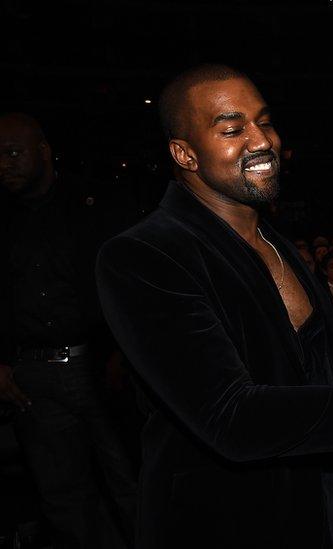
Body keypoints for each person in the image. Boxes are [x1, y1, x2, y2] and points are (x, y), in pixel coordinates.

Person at [94, 64, 333, 549]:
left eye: (265, 121)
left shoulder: (278, 245)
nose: (262, 141)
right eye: (233, 129)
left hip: (323, 517)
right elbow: (232, 419)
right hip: (224, 524)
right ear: (184, 153)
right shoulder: (143, 256)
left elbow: (330, 383)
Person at [0, 112, 139, 548]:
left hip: (100, 365)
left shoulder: (95, 202)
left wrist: (124, 350)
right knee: (62, 494)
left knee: (130, 478)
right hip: (31, 375)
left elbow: (128, 282)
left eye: (14, 153)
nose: (5, 164)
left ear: (43, 151)